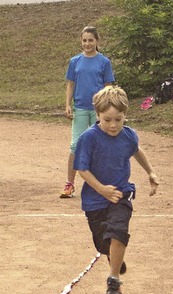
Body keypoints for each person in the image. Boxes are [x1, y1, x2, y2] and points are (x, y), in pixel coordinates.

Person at [74, 86, 159, 294]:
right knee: (103, 244)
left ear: (125, 116)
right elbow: (82, 169)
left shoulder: (128, 135)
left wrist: (150, 171)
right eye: (107, 119)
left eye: (118, 120)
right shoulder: (89, 138)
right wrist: (101, 189)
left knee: (118, 232)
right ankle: (115, 259)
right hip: (95, 201)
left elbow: (136, 150)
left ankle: (113, 280)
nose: (113, 125)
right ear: (98, 115)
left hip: (122, 194)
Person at [62, 26, 115, 198]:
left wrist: (107, 108)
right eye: (84, 40)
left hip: (98, 110)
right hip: (80, 108)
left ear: (97, 41)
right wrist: (67, 104)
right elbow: (70, 84)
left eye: (91, 40)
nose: (87, 43)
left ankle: (99, 185)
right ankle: (69, 184)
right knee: (75, 145)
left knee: (99, 145)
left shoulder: (104, 62)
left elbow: (108, 87)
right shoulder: (75, 61)